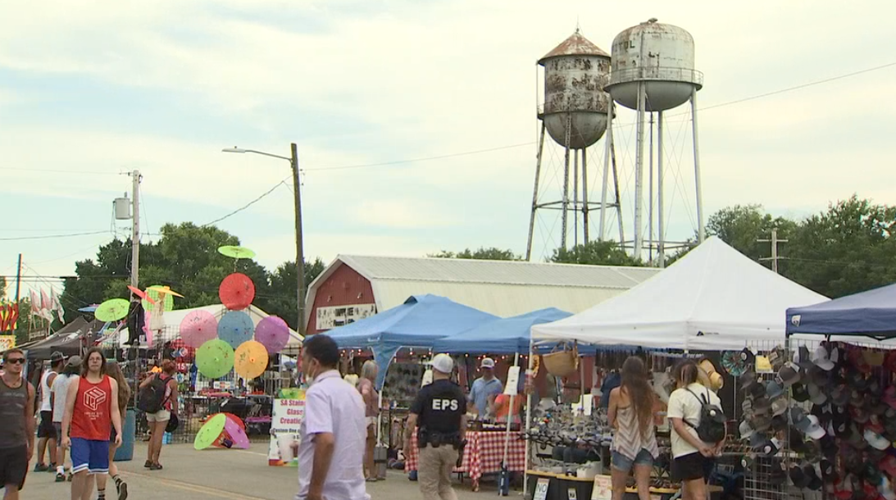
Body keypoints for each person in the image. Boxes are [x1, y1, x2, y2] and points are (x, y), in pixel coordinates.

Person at [295, 335, 369, 500]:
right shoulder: (352, 393)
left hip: (328, 492)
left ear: (315, 363)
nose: (302, 366)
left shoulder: (318, 392)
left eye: (304, 360)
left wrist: (314, 492)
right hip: (354, 491)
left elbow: (326, 440)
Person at [61, 347, 123, 500]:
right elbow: (68, 410)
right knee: (81, 471)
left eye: (98, 359)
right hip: (80, 433)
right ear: (86, 362)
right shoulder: (77, 383)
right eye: (91, 359)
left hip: (101, 434)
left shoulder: (111, 383)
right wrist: (64, 435)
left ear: (103, 362)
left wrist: (119, 431)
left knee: (92, 472)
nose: (95, 361)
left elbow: (114, 409)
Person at [406, 353, 467, 500]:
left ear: (434, 369)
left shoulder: (426, 392)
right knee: (445, 487)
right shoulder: (459, 393)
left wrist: (406, 441)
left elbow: (411, 421)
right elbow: (463, 422)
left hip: (430, 445)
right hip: (451, 445)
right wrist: (460, 441)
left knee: (429, 488)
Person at [666, 359, 724, 500]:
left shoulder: (678, 395)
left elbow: (678, 426)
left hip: (686, 451)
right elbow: (722, 423)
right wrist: (718, 446)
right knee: (689, 490)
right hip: (710, 449)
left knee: (698, 493)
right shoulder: (711, 395)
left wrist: (699, 446)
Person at [608, 357, 659, 500]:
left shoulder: (617, 393)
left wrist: (620, 425)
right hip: (646, 444)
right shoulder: (649, 394)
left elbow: (610, 420)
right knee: (643, 490)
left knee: (618, 490)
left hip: (624, 444)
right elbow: (657, 419)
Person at [0, 349, 36, 500]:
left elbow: (29, 417)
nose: (17, 364)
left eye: (21, 361)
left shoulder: (28, 388)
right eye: (13, 361)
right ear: (4, 364)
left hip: (17, 445)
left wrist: (31, 444)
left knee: (13, 486)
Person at [96, 360, 129, 500]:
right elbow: (123, 413)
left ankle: (101, 494)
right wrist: (120, 430)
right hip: (116, 428)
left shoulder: (105, 388)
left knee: (100, 463)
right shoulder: (124, 390)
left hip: (102, 428)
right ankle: (118, 481)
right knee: (108, 460)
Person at [138, 359, 178, 471]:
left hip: (150, 408)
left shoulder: (154, 377)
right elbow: (174, 399)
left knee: (152, 434)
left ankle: (149, 459)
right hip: (162, 409)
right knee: (158, 436)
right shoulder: (172, 382)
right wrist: (175, 411)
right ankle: (155, 461)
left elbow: (141, 386)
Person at [52, 355, 81, 482]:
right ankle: (73, 469)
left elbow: (52, 396)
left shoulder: (57, 379)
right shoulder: (78, 380)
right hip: (72, 417)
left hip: (58, 415)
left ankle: (59, 469)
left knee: (60, 443)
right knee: (75, 443)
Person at [36, 351, 65, 472]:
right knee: (53, 436)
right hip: (50, 409)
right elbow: (56, 393)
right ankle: (53, 462)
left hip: (44, 407)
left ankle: (40, 462)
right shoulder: (54, 376)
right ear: (60, 363)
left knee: (44, 435)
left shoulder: (45, 374)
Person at [357, 360, 379, 482]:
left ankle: (366, 472)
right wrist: (369, 405)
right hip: (368, 417)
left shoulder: (360, 382)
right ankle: (370, 472)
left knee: (364, 446)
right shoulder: (367, 383)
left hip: (363, 417)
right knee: (370, 446)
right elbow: (365, 393)